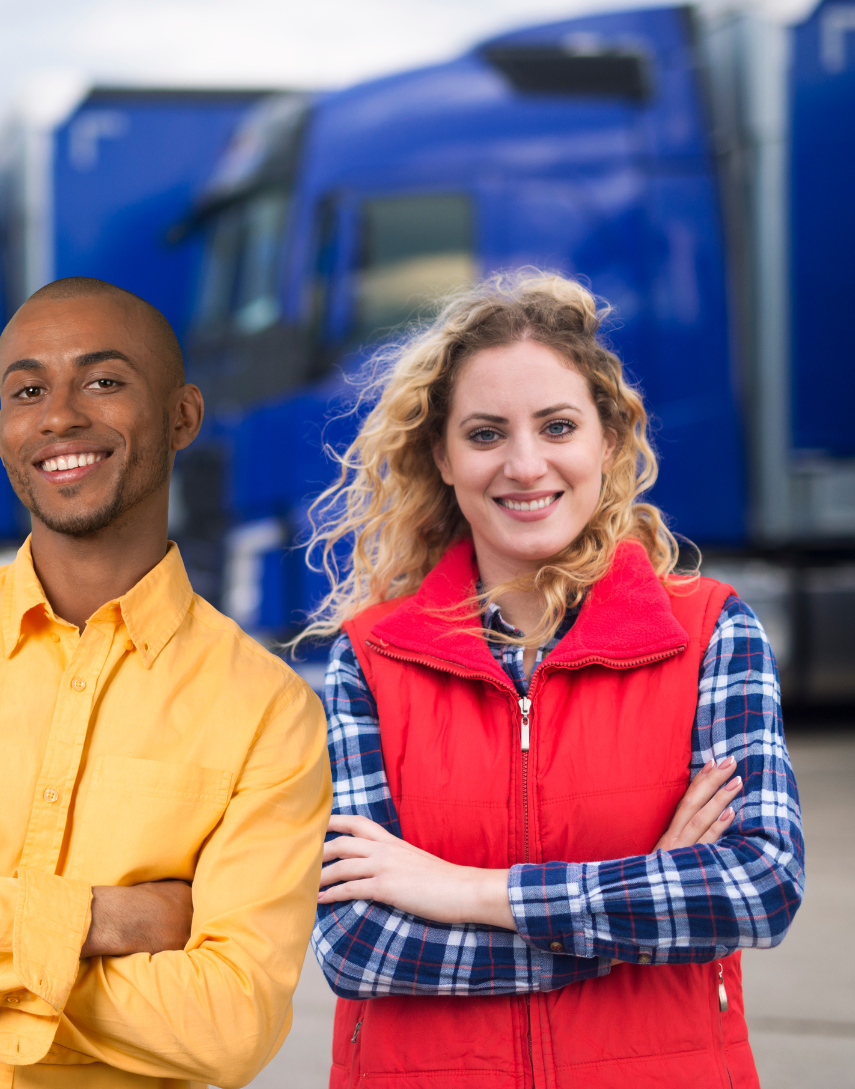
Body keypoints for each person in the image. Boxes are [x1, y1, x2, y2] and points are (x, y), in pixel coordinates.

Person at [0, 277, 331, 1089]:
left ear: (183, 415)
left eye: (103, 381)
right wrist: (107, 918)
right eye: (28, 389)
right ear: (4, 427)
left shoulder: (268, 712)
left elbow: (228, 1024)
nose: (60, 415)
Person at [303, 271, 804, 1089]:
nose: (526, 464)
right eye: (486, 433)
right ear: (442, 454)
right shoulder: (369, 659)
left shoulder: (709, 632)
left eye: (557, 425)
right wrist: (632, 926)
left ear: (605, 440)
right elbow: (358, 943)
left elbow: (758, 886)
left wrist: (464, 890)